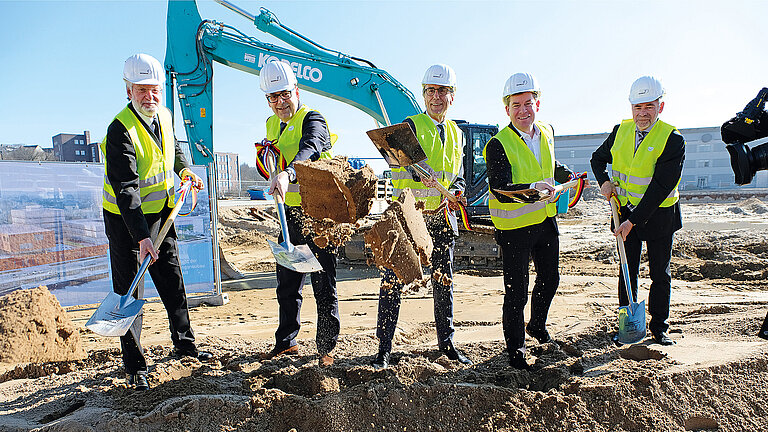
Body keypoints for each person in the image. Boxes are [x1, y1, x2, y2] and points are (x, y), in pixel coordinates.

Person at [102, 53, 211, 391]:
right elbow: (127, 190)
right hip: (125, 221)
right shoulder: (120, 130)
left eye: (154, 90)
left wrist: (185, 170)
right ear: (128, 91)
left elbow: (173, 148)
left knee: (172, 279)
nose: (149, 97)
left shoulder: (163, 115)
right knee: (130, 291)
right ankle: (135, 366)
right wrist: (141, 238)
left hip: (162, 212)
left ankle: (185, 345)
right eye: (141, 90)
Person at [371, 64, 472, 369]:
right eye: (431, 91)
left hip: (441, 219)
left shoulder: (457, 134)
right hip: (408, 218)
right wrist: (416, 173)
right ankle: (384, 349)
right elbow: (394, 162)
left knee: (444, 282)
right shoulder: (410, 126)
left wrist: (457, 190)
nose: (436, 97)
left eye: (442, 91)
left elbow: (459, 176)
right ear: (423, 94)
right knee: (392, 281)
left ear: (451, 96)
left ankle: (447, 343)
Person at [483, 72, 576, 370]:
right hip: (514, 229)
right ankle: (516, 349)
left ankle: (536, 325)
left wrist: (566, 176)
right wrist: (533, 191)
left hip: (546, 222)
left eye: (528, 103)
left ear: (538, 103)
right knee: (517, 291)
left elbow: (548, 164)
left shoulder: (546, 132)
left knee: (550, 280)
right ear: (506, 109)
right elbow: (500, 187)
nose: (522, 110)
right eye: (516, 105)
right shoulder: (498, 144)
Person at [590, 75, 685, 346]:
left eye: (649, 107)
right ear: (631, 108)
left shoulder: (672, 139)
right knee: (627, 272)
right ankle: (627, 327)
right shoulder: (620, 131)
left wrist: (632, 221)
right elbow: (597, 159)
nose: (642, 114)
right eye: (637, 107)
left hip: (659, 217)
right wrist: (604, 181)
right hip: (624, 213)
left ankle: (659, 327)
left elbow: (660, 187)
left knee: (659, 274)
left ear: (660, 107)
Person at [258, 61, 339, 367]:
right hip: (289, 215)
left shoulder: (313, 118)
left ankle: (326, 349)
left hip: (319, 215)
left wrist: (288, 173)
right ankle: (286, 343)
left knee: (323, 283)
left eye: (284, 95)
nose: (280, 102)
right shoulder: (272, 123)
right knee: (288, 284)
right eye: (273, 97)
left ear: (296, 90)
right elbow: (274, 154)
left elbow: (311, 148)